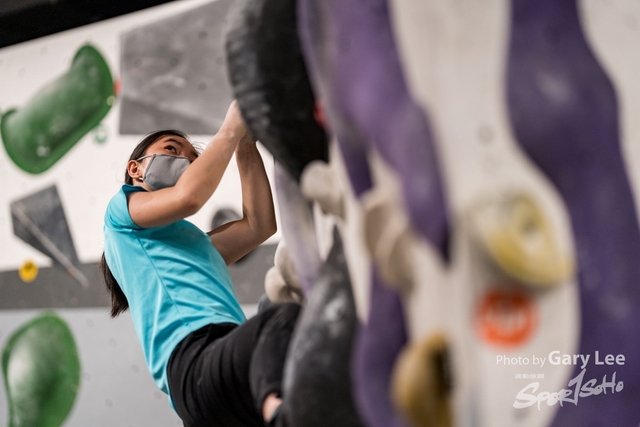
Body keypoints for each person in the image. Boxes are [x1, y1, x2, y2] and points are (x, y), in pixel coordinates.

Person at [100, 101, 298, 427]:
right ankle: (280, 414)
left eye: (193, 160)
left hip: (219, 378)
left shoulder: (195, 245)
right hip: (195, 360)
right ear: (136, 169)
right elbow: (188, 198)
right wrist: (231, 127)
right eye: (173, 150)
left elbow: (259, 225)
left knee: (280, 323)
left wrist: (246, 143)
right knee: (279, 320)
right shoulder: (119, 213)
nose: (187, 162)